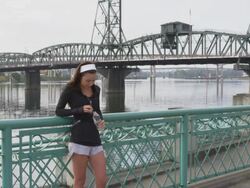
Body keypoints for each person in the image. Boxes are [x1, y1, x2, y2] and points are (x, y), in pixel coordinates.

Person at [55, 62, 107, 188]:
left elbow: (97, 109)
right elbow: (59, 111)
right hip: (79, 140)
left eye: (93, 80)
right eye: (88, 80)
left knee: (102, 179)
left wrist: (100, 120)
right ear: (80, 76)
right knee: (79, 180)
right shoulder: (70, 89)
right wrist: (79, 110)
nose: (91, 83)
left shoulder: (96, 89)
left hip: (95, 138)